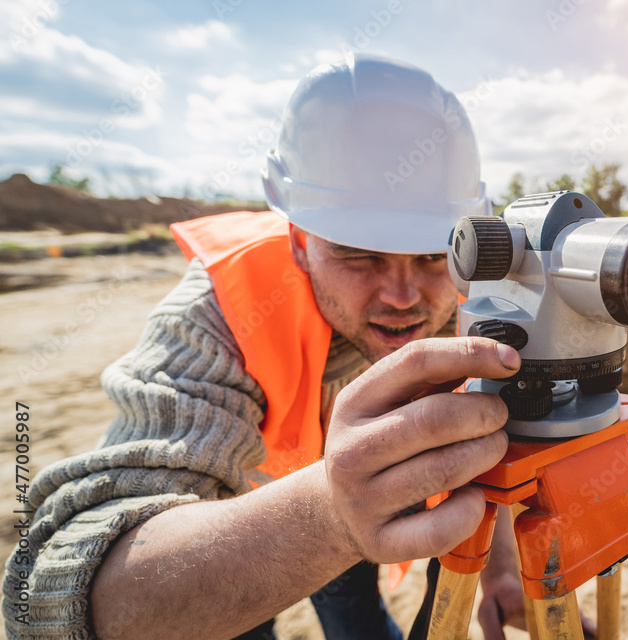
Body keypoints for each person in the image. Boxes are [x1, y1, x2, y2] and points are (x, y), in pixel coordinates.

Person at [2, 54, 536, 640]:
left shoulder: (468, 301)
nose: (404, 296)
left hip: (348, 517)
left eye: (434, 255)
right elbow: (47, 597)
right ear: (298, 240)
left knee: (357, 619)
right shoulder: (218, 316)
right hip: (230, 526)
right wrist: (331, 513)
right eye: (358, 254)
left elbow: (487, 455)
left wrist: (501, 573)